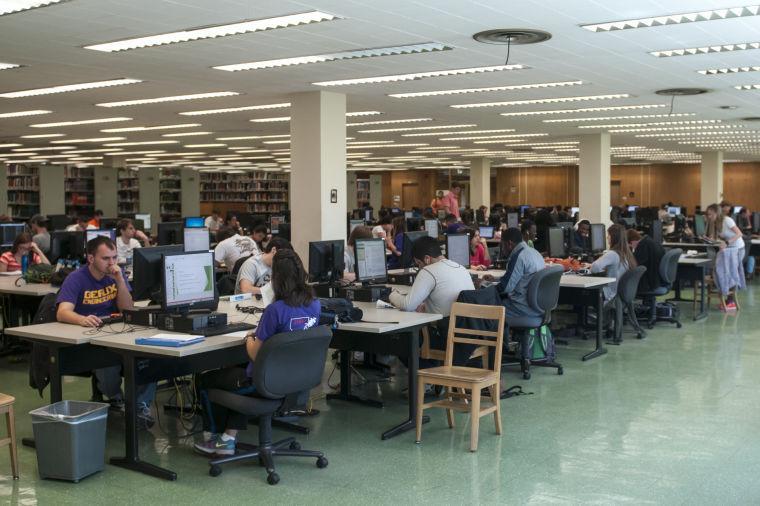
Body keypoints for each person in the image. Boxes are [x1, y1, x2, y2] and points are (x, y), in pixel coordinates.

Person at [194, 249, 321, 456]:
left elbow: (255, 354)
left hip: (264, 382)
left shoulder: (275, 310)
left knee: (207, 380)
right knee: (236, 373)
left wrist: (250, 338)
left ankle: (216, 440)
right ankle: (229, 436)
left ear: (276, 279)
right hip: (297, 381)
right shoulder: (314, 305)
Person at [55, 236, 156, 427]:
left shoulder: (117, 275)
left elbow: (127, 308)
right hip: (91, 337)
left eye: (114, 257)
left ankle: (139, 405)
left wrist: (119, 280)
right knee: (107, 363)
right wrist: (81, 319)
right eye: (106, 258)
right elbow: (63, 312)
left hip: (118, 329)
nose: (112, 263)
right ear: (91, 258)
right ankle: (116, 399)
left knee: (149, 356)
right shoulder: (76, 278)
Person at [389, 236, 474, 316]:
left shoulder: (428, 271)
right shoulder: (461, 267)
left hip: (442, 327)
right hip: (464, 325)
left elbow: (407, 305)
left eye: (419, 263)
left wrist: (391, 294)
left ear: (427, 259)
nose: (419, 267)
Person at [485, 228, 545, 320]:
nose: (502, 249)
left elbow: (505, 288)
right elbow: (520, 278)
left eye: (503, 245)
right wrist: (496, 280)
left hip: (520, 308)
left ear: (509, 244)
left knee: (483, 310)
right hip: (537, 307)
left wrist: (483, 285)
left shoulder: (518, 256)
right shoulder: (534, 252)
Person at [705, 203, 745, 310]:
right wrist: (708, 239)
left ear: (716, 213)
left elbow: (739, 234)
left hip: (738, 249)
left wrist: (727, 243)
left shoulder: (727, 220)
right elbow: (717, 239)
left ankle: (731, 302)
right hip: (729, 250)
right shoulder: (715, 223)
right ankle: (727, 300)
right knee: (726, 272)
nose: (709, 217)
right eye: (707, 215)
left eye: (710, 214)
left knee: (731, 273)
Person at [590, 224, 636, 303]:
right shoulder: (626, 253)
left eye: (609, 235)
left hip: (610, 294)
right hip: (620, 294)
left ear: (614, 237)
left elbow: (594, 268)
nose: (607, 237)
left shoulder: (612, 254)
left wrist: (595, 263)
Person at [627, 229, 665, 293]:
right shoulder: (650, 242)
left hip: (648, 284)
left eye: (630, 246)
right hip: (657, 280)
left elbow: (634, 265)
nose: (632, 248)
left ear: (632, 242)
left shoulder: (642, 246)